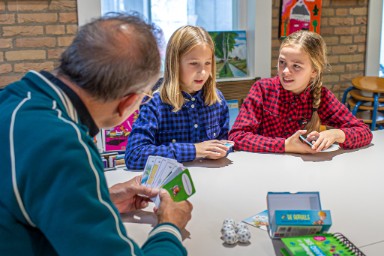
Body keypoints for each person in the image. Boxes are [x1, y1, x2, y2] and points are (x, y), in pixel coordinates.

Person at [0, 13, 192, 255]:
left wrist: (100, 199)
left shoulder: (15, 97)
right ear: (128, 102)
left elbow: (30, 195)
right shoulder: (65, 145)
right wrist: (170, 227)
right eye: (145, 97)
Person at [229, 30, 372, 154]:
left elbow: (364, 132)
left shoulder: (322, 96)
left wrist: (337, 134)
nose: (285, 71)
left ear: (314, 71)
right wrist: (285, 145)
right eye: (282, 62)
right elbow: (236, 136)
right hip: (264, 168)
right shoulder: (262, 89)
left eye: (296, 66)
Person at [125, 25, 232, 170]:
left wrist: (222, 150)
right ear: (174, 64)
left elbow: (225, 142)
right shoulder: (155, 104)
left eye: (207, 63)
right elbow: (134, 156)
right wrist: (194, 150)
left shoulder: (217, 100)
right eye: (194, 63)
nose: (202, 72)